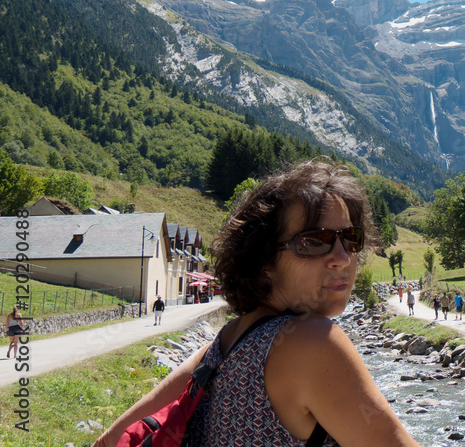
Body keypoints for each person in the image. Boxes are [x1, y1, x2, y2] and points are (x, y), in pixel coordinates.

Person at [95, 159, 421, 447]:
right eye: (313, 242)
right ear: (264, 262)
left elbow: (109, 441)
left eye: (350, 238)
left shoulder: (225, 344)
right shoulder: (314, 342)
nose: (341, 258)